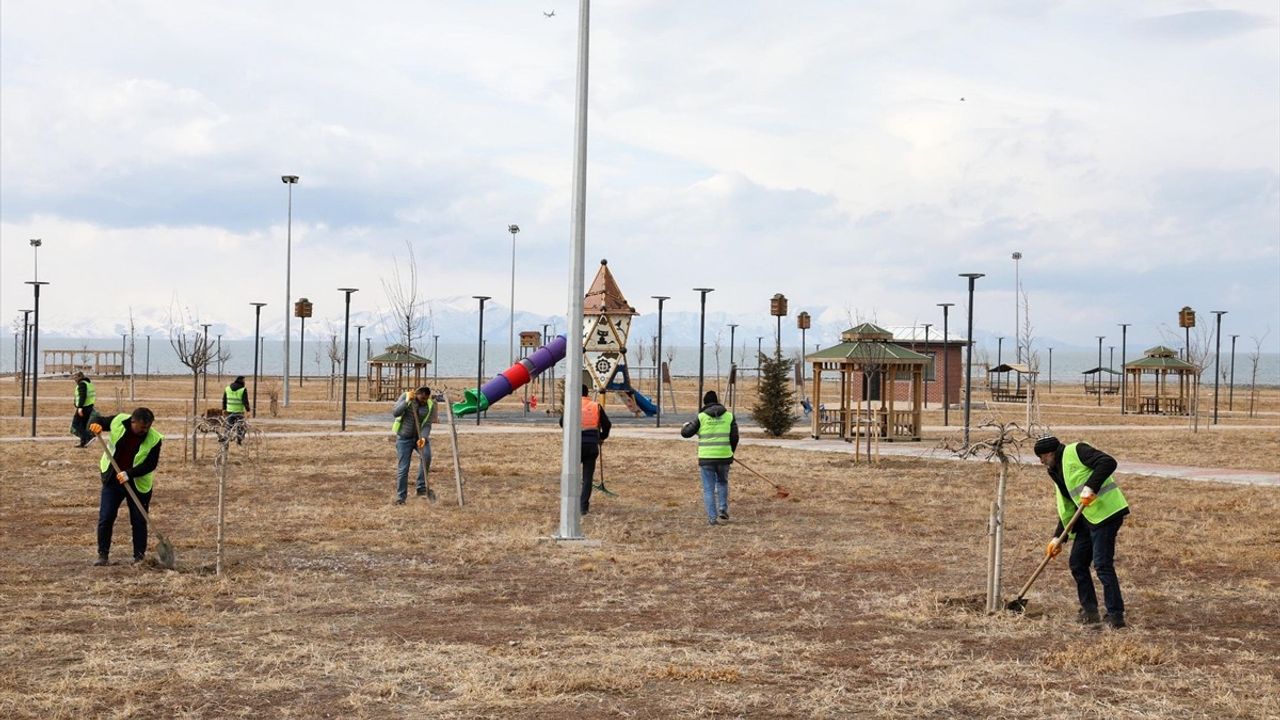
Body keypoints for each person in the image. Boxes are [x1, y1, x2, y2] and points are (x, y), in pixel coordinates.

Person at [1035, 435, 1131, 629]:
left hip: (1107, 513)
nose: (1041, 461)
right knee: (1077, 563)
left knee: (1102, 564)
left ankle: (1115, 615)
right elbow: (1069, 506)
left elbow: (1108, 462)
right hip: (1087, 518)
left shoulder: (1076, 451)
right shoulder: (1054, 470)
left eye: (1042, 457)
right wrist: (1058, 538)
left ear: (1050, 453)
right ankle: (1090, 611)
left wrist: (1091, 487)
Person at [88, 407, 163, 566]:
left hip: (138, 484)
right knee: (106, 517)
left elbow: (151, 464)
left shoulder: (155, 438)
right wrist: (95, 425)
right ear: (132, 421)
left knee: (138, 520)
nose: (145, 430)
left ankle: (139, 557)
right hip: (112, 480)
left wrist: (129, 473)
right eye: (142, 427)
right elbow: (99, 419)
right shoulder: (119, 421)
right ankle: (103, 555)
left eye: (148, 427)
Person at [681, 390, 739, 526]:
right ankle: (723, 509)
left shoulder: (701, 417)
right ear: (717, 401)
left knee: (708, 488)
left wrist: (685, 426)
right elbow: (735, 437)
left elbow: (686, 433)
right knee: (723, 483)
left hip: (706, 458)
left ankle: (712, 518)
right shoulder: (729, 416)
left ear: (705, 403)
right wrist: (731, 452)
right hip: (724, 456)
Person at [559, 385, 611, 514]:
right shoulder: (596, 406)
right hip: (591, 445)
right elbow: (607, 424)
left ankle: (570, 504)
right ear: (587, 393)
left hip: (574, 446)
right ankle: (583, 507)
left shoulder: (571, 405)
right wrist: (602, 437)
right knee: (587, 478)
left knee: (572, 475)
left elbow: (561, 422)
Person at [392, 386, 438, 504]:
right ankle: (401, 497)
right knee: (404, 468)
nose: (423, 401)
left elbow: (427, 424)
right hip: (404, 438)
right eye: (422, 398)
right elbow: (395, 412)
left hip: (419, 438)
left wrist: (423, 437)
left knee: (426, 456)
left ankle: (421, 488)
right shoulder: (406, 397)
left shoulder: (430, 404)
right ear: (417, 394)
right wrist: (407, 402)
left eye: (425, 399)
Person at [222, 375, 250, 445]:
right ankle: (239, 440)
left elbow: (224, 400)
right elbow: (245, 401)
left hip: (229, 411)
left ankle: (225, 438)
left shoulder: (227, 388)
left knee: (228, 426)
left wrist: (224, 409)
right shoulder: (243, 389)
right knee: (241, 427)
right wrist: (248, 410)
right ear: (242, 381)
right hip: (239, 411)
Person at [70, 371, 96, 448]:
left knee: (75, 424)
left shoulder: (82, 384)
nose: (74, 379)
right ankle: (83, 442)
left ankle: (89, 436)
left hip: (83, 407)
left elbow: (82, 396)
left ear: (79, 377)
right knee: (82, 425)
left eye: (75, 377)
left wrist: (80, 407)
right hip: (89, 407)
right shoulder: (88, 383)